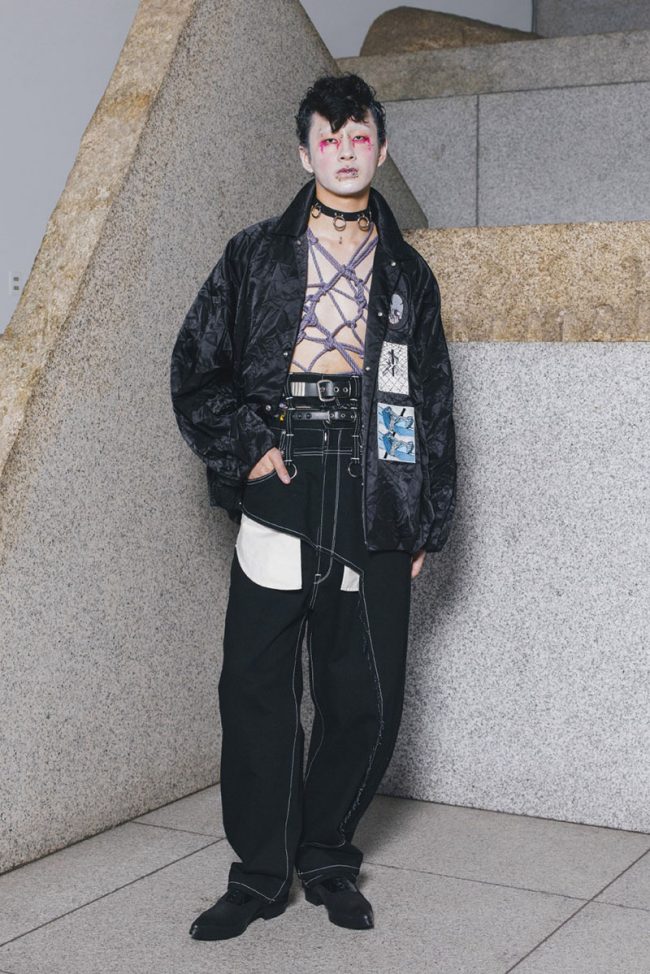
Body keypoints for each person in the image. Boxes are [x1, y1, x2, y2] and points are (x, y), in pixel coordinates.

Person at [170, 72, 456, 941]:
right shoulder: (254, 253)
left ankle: (327, 854)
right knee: (255, 682)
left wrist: (425, 512)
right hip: (284, 471)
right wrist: (248, 447)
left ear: (381, 147)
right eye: (328, 138)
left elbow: (432, 399)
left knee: (363, 688)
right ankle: (260, 875)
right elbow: (196, 367)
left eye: (359, 135)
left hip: (375, 484)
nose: (345, 150)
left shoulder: (409, 273)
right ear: (305, 154)